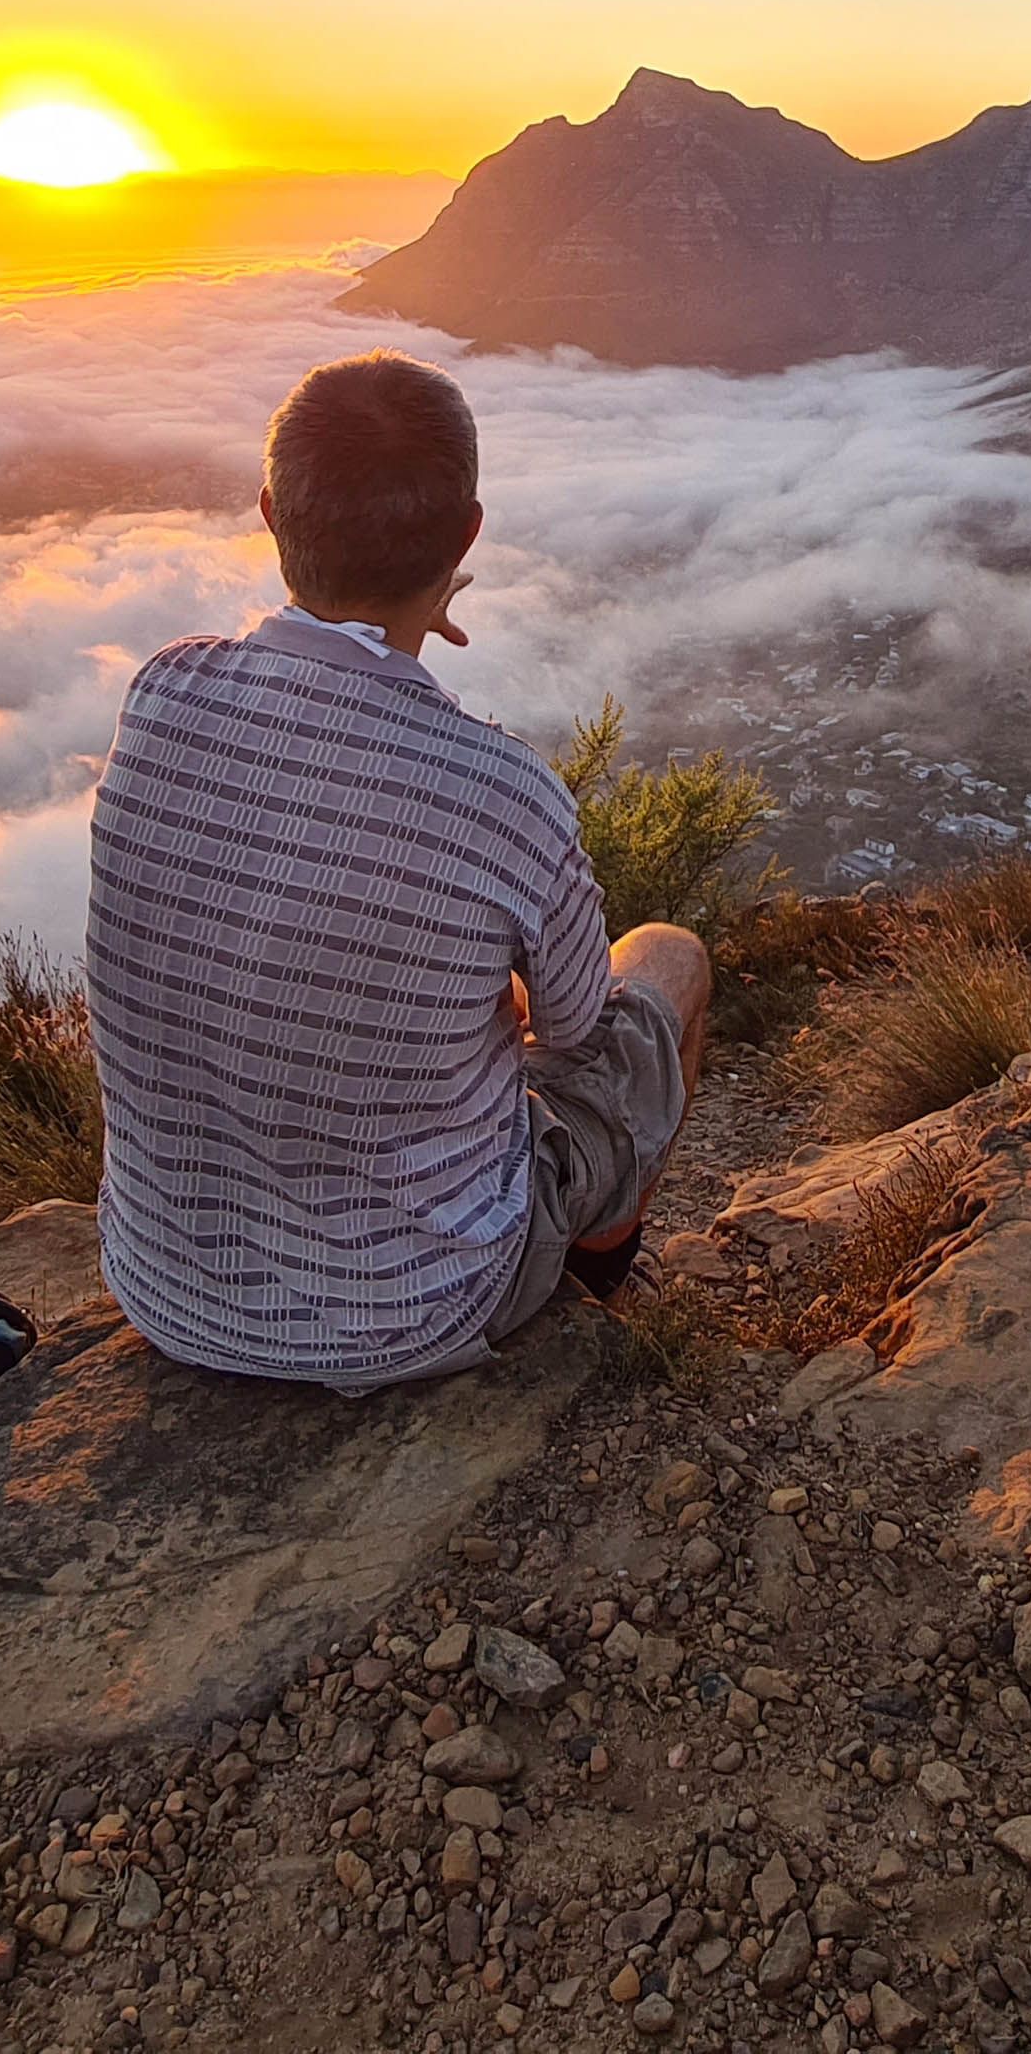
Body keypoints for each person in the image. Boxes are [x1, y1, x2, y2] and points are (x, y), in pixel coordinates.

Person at [85, 350, 707, 1390]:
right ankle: (600, 1266)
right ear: (466, 535)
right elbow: (575, 1035)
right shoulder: (502, 792)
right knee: (665, 960)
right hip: (409, 1313)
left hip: (164, 1291)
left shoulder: (161, 695)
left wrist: (395, 629)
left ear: (271, 514)